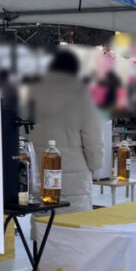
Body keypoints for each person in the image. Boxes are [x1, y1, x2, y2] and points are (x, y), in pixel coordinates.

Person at [23, 50, 105, 211]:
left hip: (39, 171)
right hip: (75, 176)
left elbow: (22, 134)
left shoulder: (30, 96)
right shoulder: (83, 96)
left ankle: (40, 236)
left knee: (44, 217)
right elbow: (93, 139)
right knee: (73, 224)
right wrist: (95, 166)